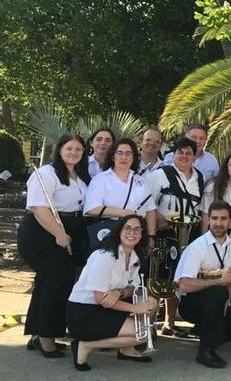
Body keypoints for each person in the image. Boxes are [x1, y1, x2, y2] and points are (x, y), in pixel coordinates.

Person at [18, 133, 90, 358]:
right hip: (42, 232)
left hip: (69, 229)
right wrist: (59, 234)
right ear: (59, 150)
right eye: (69, 148)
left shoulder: (80, 175)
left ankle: (38, 334)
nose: (74, 153)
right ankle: (46, 338)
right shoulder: (46, 174)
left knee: (46, 283)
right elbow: (39, 208)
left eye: (78, 149)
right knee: (57, 283)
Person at [174, 201, 231, 368]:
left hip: (219, 301)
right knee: (217, 291)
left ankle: (209, 334)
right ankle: (205, 351)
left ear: (230, 222)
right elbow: (183, 285)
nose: (218, 223)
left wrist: (228, 301)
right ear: (208, 220)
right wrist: (219, 282)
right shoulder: (197, 247)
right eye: (214, 218)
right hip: (191, 305)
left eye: (223, 218)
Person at [66, 214, 157, 371]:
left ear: (142, 235)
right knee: (140, 334)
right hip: (85, 312)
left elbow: (134, 288)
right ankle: (85, 345)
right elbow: (100, 298)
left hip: (108, 305)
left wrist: (119, 293)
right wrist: (135, 309)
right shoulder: (104, 256)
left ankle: (126, 350)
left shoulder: (135, 257)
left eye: (137, 230)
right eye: (127, 228)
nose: (132, 233)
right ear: (119, 231)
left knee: (152, 302)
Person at [145, 136, 204, 337]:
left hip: (189, 235)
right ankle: (150, 325)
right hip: (163, 231)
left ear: (194, 156)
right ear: (174, 154)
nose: (184, 156)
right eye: (181, 152)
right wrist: (156, 229)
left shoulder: (199, 178)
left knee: (178, 279)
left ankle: (169, 322)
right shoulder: (160, 175)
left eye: (189, 153)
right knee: (158, 279)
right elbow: (148, 204)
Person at [84, 138, 157, 249]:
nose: (124, 157)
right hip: (110, 234)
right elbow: (91, 209)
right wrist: (123, 213)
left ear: (134, 157)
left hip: (136, 237)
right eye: (119, 153)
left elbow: (151, 210)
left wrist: (151, 236)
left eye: (128, 153)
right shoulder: (101, 179)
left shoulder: (141, 181)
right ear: (113, 157)